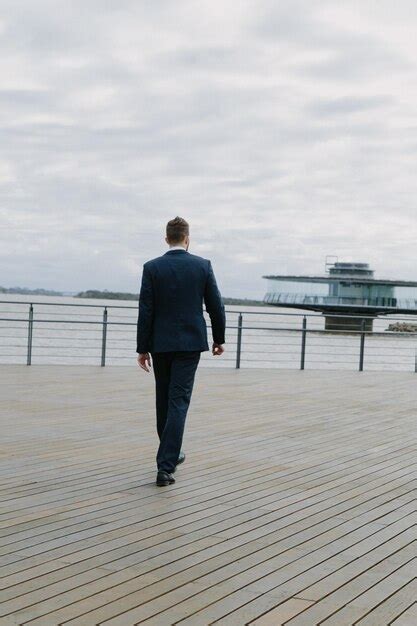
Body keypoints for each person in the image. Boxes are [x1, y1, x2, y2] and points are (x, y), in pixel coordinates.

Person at [136, 216, 226, 486]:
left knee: (163, 400)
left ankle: (170, 456)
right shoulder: (202, 266)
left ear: (167, 239)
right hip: (189, 344)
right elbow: (215, 306)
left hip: (160, 344)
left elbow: (146, 310)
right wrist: (219, 339)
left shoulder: (152, 267)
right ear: (187, 239)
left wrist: (142, 348)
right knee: (179, 401)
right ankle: (165, 466)